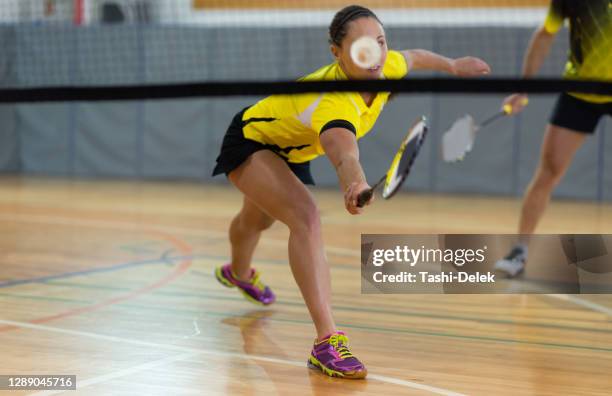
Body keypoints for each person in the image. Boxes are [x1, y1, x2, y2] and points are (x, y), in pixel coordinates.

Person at [212, 5, 490, 379]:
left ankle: (238, 272)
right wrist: (354, 183)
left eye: (380, 41)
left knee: (257, 219)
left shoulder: (385, 65)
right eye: (362, 47)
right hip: (251, 138)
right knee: (305, 217)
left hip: (291, 143)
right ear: (336, 54)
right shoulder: (333, 102)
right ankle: (326, 342)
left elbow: (414, 57)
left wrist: (453, 65)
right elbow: (344, 153)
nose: (375, 54)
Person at [495, 0, 612, 277]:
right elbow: (545, 34)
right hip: (580, 92)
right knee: (549, 170)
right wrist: (523, 87)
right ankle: (519, 252)